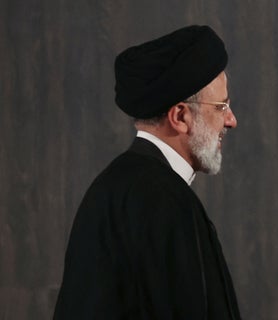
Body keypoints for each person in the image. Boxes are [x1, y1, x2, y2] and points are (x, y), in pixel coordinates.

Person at [54, 25, 241, 319]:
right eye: (221, 106)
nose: (231, 121)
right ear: (180, 116)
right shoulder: (166, 202)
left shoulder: (111, 187)